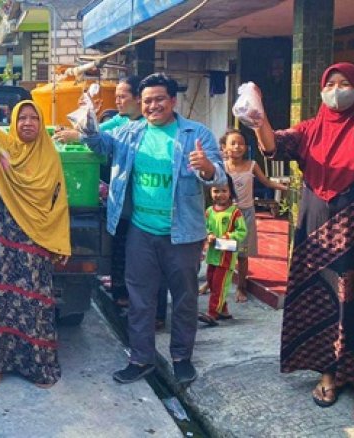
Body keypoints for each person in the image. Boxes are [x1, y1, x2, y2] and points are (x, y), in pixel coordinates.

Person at [252, 62, 354, 427]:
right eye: (331, 84)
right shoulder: (309, 129)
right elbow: (275, 147)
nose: (336, 91)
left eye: (344, 84)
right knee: (322, 298)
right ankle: (328, 372)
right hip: (317, 233)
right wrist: (259, 121)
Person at [83, 73, 226, 385]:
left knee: (185, 299)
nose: (153, 106)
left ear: (173, 101)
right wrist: (88, 118)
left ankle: (181, 358)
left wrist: (208, 168)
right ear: (140, 103)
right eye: (147, 101)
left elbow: (219, 177)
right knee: (140, 300)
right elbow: (96, 143)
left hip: (183, 233)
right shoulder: (129, 132)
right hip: (141, 232)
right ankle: (141, 359)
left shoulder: (195, 133)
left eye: (159, 99)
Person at [0, 99, 71, 390]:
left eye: (33, 118)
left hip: (36, 237)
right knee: (0, 298)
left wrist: (58, 241)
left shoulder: (50, 156)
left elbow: (58, 202)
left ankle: (35, 364)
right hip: (2, 235)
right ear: (13, 122)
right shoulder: (4, 146)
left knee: (32, 301)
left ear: (40, 123)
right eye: (21, 117)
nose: (27, 123)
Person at [55, 76, 148, 310]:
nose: (117, 101)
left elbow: (88, 137)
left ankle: (144, 302)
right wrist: (86, 119)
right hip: (123, 204)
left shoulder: (145, 127)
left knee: (143, 257)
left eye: (122, 96)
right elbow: (95, 136)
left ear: (138, 98)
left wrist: (77, 133)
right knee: (120, 248)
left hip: (146, 204)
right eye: (115, 96)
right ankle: (121, 293)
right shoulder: (119, 121)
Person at [218, 129, 287, 302]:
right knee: (222, 253)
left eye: (240, 143)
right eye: (232, 143)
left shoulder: (252, 165)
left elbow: (266, 182)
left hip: (246, 215)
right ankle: (216, 285)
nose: (237, 147)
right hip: (226, 216)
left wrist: (288, 188)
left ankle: (242, 288)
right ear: (224, 148)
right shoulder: (221, 167)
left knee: (242, 254)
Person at [198, 177, 247, 327]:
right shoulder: (209, 212)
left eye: (224, 191)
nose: (220, 194)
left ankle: (212, 314)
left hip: (226, 257)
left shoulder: (235, 213)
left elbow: (242, 232)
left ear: (231, 192)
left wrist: (225, 237)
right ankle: (223, 310)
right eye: (216, 191)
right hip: (212, 255)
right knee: (212, 283)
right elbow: (203, 227)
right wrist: (208, 235)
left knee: (219, 286)